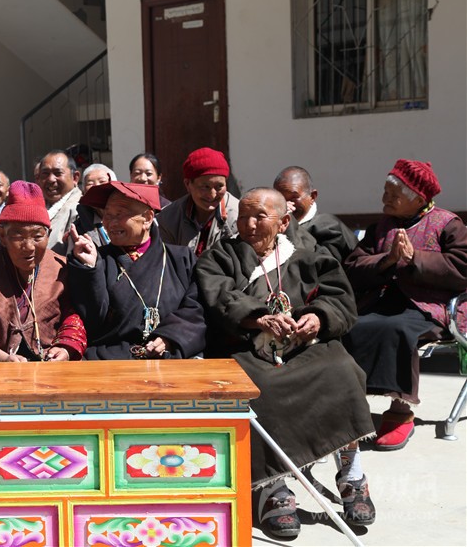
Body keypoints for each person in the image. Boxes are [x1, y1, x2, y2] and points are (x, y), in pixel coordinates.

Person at [194, 188, 375, 538]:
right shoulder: (220, 256)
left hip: (303, 345)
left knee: (342, 370)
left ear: (283, 222)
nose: (249, 224)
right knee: (258, 386)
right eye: (243, 216)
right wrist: (258, 317)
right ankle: (273, 486)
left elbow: (339, 299)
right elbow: (219, 297)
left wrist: (318, 318)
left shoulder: (309, 255)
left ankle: (352, 474)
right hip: (246, 346)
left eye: (260, 216)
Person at [343, 159, 467, 451]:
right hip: (383, 300)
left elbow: (462, 269)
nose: (384, 199)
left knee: (396, 329)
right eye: (385, 192)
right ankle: (350, 408)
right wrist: (387, 259)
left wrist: (416, 259)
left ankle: (400, 412)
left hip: (429, 305)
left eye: (393, 195)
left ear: (419, 199)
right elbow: (352, 268)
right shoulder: (380, 228)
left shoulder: (449, 225)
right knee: (350, 327)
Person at [68, 182, 205, 359]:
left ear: (147, 218)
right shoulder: (97, 259)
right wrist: (89, 270)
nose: (110, 222)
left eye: (119, 214)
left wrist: (171, 336)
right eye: (107, 215)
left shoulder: (181, 259)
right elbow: (92, 321)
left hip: (167, 356)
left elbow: (196, 310)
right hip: (111, 359)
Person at [0, 181, 86, 362]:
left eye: (37, 236)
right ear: (2, 236)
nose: (29, 247)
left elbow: (73, 317)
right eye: (18, 236)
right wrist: (2, 358)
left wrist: (64, 349)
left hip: (50, 365)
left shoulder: (60, 268)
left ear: (48, 234)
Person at [157, 147, 239, 257]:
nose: (212, 195)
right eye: (205, 187)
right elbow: (165, 261)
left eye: (219, 186)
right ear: (188, 184)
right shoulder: (168, 218)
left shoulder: (239, 217)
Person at [274, 166, 357, 262]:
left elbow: (323, 264)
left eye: (294, 197)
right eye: (281, 198)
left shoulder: (328, 226)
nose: (287, 204)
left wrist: (290, 224)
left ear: (312, 197)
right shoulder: (272, 224)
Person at [36, 150, 83, 255]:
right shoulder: (34, 207)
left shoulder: (80, 209)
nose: (51, 179)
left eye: (58, 173)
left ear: (75, 177)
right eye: (45, 174)